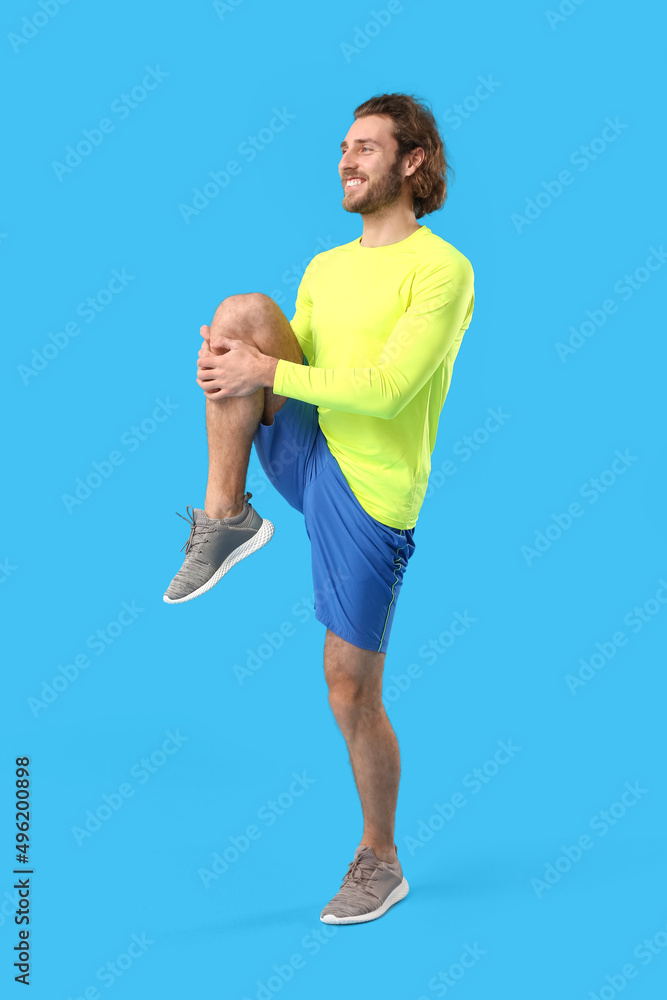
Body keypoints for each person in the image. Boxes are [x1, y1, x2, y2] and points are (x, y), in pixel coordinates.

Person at [164, 92, 475, 924]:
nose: (343, 159)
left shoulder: (440, 268)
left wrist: (260, 376)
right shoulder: (326, 267)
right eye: (342, 147)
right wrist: (234, 362)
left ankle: (381, 858)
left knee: (347, 687)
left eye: (365, 147)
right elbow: (285, 356)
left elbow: (386, 390)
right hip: (307, 451)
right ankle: (225, 515)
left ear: (413, 161)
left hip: (371, 491)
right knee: (240, 317)